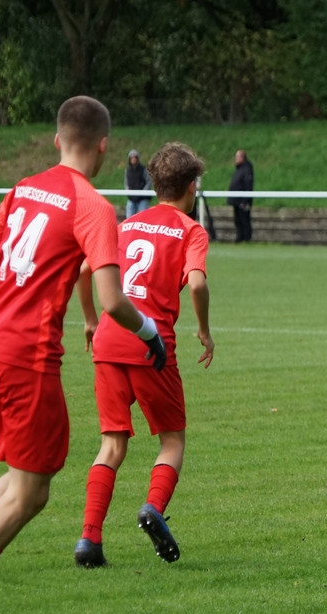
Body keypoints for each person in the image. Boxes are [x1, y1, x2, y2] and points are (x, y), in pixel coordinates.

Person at [0, 96, 167, 614]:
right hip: (27, 358)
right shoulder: (93, 206)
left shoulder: (25, 187)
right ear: (104, 147)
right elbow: (115, 300)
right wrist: (150, 336)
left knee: (21, 478)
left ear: (56, 140)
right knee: (32, 494)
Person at [74, 142, 214, 568]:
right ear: (191, 188)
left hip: (109, 341)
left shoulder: (127, 224)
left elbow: (84, 270)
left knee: (111, 445)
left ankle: (89, 540)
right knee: (171, 441)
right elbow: (196, 283)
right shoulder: (191, 230)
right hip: (150, 343)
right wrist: (205, 331)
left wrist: (90, 320)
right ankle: (153, 507)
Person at [227, 149, 253, 242]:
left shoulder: (246, 169)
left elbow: (248, 185)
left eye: (237, 157)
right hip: (237, 200)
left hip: (242, 201)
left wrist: (245, 201)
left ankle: (246, 239)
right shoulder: (240, 169)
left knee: (244, 220)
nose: (236, 159)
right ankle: (240, 237)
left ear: (243, 158)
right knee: (238, 220)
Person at [124, 148, 153, 218]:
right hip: (131, 199)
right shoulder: (127, 171)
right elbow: (126, 183)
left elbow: (148, 182)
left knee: (144, 218)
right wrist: (128, 192)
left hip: (142, 199)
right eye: (132, 158)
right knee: (129, 219)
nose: (133, 159)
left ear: (137, 158)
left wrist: (143, 192)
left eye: (135, 157)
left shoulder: (143, 170)